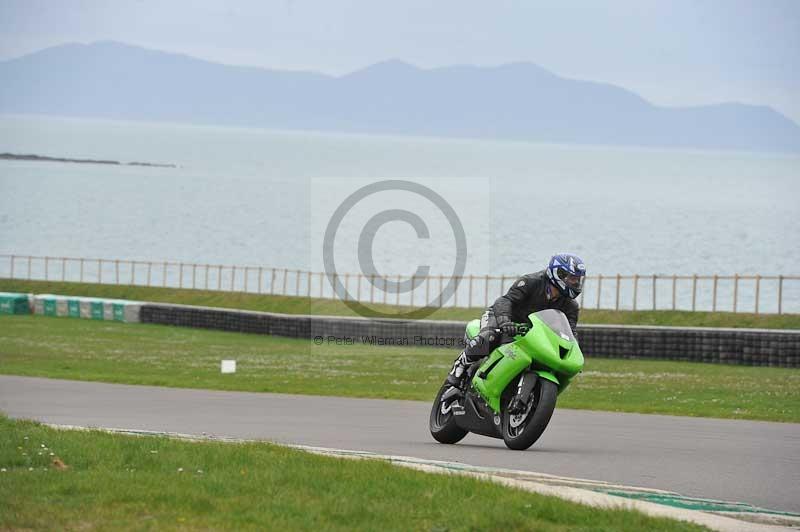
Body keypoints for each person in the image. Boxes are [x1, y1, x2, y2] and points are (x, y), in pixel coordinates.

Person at [446, 253, 586, 387]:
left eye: (578, 279)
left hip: (529, 331)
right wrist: (505, 321)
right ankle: (460, 365)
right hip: (502, 318)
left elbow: (570, 333)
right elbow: (505, 301)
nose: (576, 283)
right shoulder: (531, 282)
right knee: (490, 336)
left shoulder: (571, 306)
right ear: (559, 274)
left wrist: (573, 356)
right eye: (573, 278)